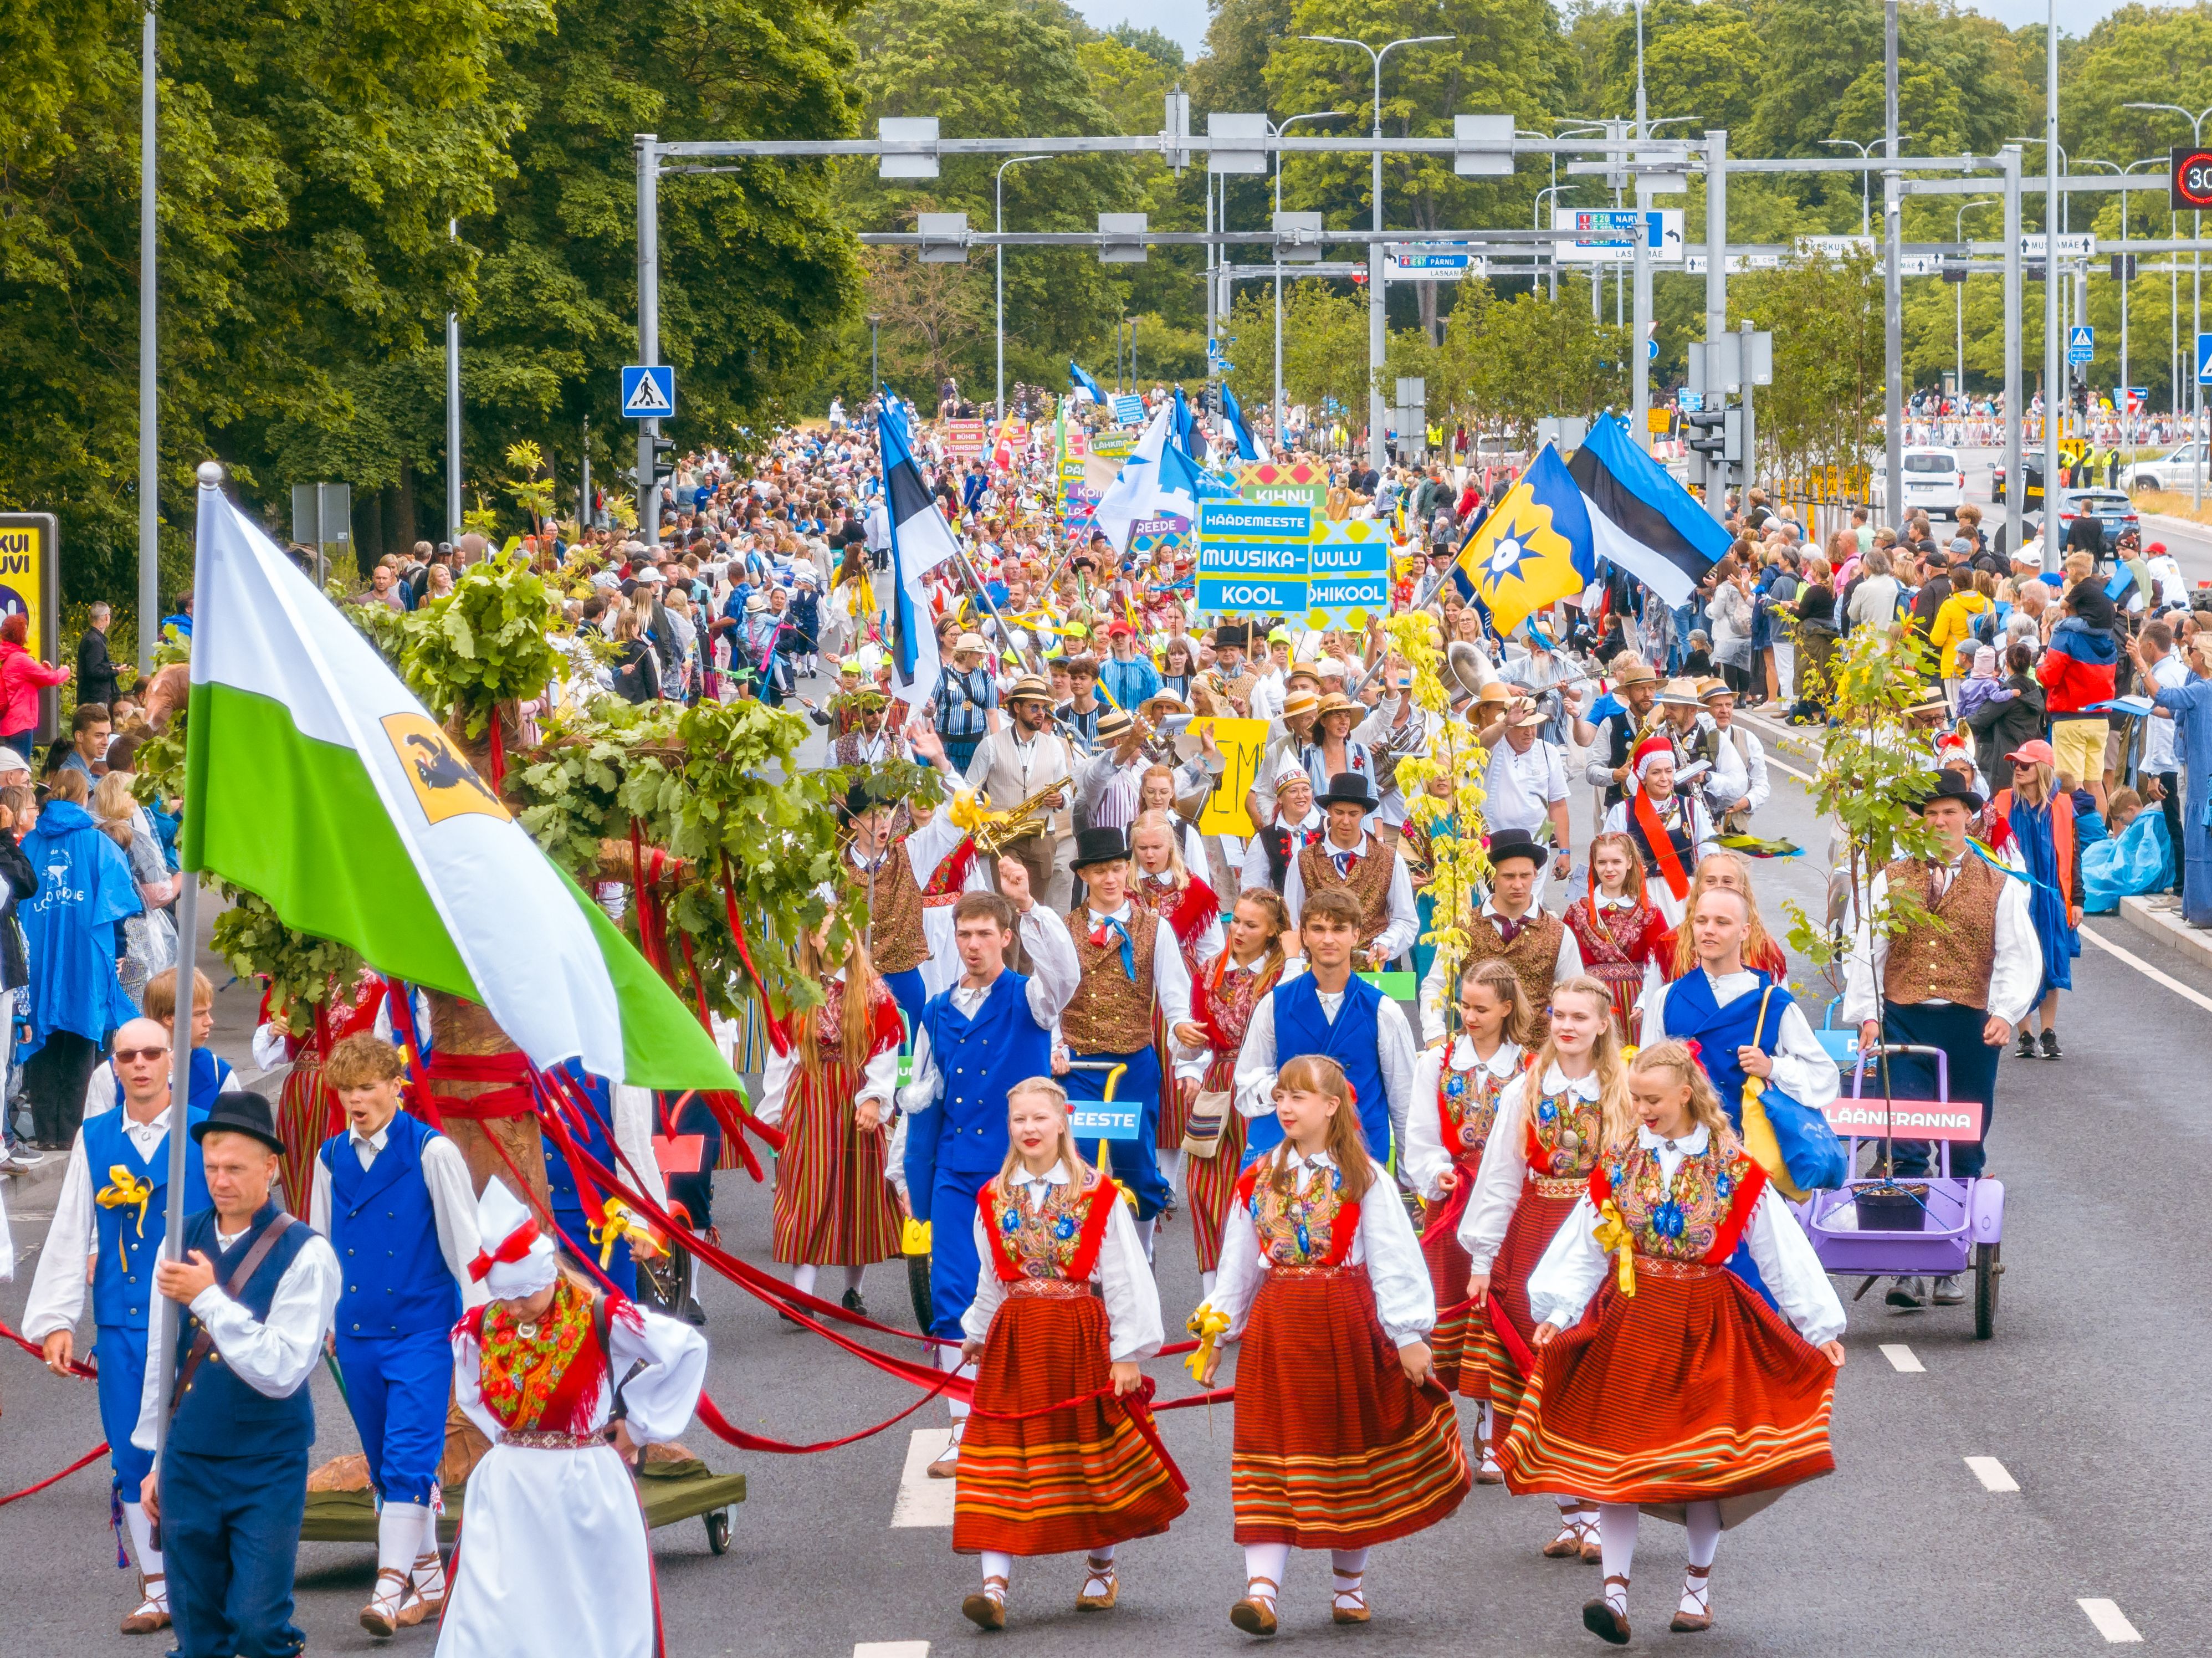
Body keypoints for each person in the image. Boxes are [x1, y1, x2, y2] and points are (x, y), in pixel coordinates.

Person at [1508, 1041, 1845, 1646]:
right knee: (1616, 1463)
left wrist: (1819, 1327)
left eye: (1651, 1099)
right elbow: (1585, 1242)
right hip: (1631, 1324)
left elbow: (1778, 1250)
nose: (1640, 1109)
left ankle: (1696, 1590)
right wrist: (1557, 1311)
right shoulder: (1617, 1163)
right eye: (1634, 1098)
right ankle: (1613, 1596)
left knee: (1698, 1465)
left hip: (1706, 1322)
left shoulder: (1735, 1168)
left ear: (1684, 1094)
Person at [1193, 1054, 1471, 1636]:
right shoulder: (1256, 1178)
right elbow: (1237, 1264)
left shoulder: (1364, 1177)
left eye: (1298, 1097)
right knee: (1268, 1447)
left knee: (1346, 1448)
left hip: (1343, 1320)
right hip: (1276, 1327)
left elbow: (1395, 1257)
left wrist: (1409, 1336)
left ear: (1331, 1105)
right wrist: (1217, 1329)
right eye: (1279, 1096)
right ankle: (1261, 1593)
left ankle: (1349, 1586)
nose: (1286, 1107)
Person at [436, 1180, 708, 1658]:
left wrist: (639, 1426)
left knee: (588, 1616)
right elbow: (473, 1395)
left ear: (547, 1273)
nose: (515, 1308)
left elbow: (685, 1348)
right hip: (508, 1495)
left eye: (524, 1295)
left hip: (584, 1490)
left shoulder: (601, 1315)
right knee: (495, 1617)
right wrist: (510, 1443)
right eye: (507, 1297)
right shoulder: (479, 1327)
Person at [953, 1077, 1187, 1629]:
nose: (1029, 1128)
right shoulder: (992, 1194)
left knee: (1091, 1452)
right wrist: (977, 1330)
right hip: (1014, 1339)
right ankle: (993, 1589)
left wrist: (1125, 1353)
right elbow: (992, 1278)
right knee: (1000, 1452)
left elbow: (1126, 1279)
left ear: (1061, 1123)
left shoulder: (1097, 1192)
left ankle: (1101, 1570)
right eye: (1019, 1120)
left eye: (1039, 1118)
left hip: (1077, 1335)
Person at [135, 1091, 341, 1658]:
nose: (220, 1181)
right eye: (211, 1168)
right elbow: (162, 1355)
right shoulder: (178, 1238)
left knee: (257, 1621)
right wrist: (157, 1457)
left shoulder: (307, 1253)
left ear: (270, 1168)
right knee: (197, 1628)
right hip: (191, 1453)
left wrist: (210, 1299)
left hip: (266, 1459)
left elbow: (282, 1368)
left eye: (235, 1168)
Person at [24, 1018, 208, 1634]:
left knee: (203, 1453)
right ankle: (158, 1588)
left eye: (152, 1052)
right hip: (123, 1322)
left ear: (171, 1061)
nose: (140, 1064)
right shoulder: (96, 1136)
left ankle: (205, 1578)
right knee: (133, 1453)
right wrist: (56, 1319)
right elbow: (72, 1225)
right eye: (127, 1055)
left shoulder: (208, 1130)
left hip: (200, 1325)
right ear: (113, 1065)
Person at [898, 871, 1079, 1477]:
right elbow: (921, 1094)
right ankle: (961, 1429)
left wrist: (1030, 904)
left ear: (1005, 937)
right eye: (963, 934)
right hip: (953, 1171)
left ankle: (1034, 1424)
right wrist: (905, 1176)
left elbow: (1065, 976)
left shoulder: (1030, 997)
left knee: (1027, 1296)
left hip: (1021, 1171)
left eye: (983, 933)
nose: (972, 945)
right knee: (952, 1298)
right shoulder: (934, 1009)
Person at [1841, 771, 2040, 1307]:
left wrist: (2005, 1012)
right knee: (1905, 1138)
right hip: (1904, 1018)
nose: (1939, 822)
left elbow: (2018, 951)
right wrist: (1867, 1015)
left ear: (1967, 816)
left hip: (1969, 1024)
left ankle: (1953, 1259)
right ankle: (1908, 1263)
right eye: (1929, 814)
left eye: (1948, 812)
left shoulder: (1999, 880)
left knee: (1963, 1142)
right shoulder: (1891, 878)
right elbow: (1868, 946)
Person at [308, 1033, 483, 1635]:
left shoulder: (431, 1152)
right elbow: (320, 1248)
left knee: (410, 1458)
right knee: (386, 1466)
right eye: (346, 1090)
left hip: (423, 1330)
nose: (355, 1100)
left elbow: (467, 1245)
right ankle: (432, 1582)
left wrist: (480, 1323)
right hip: (356, 1335)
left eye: (366, 1087)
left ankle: (387, 1589)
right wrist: (324, 1321)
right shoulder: (329, 1159)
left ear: (395, 1087)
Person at [1457, 976, 1627, 1561]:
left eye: (1580, 1016)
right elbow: (1500, 1177)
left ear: (1602, 1023)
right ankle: (1574, 1514)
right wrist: (1482, 1258)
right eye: (1558, 1014)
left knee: (1596, 1376)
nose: (1567, 1026)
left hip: (1600, 1236)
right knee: (1538, 1375)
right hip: (1533, 1230)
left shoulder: (1621, 1089)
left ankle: (1601, 1513)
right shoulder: (1523, 1089)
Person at [1405, 958, 1533, 1461]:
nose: (1471, 1017)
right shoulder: (1436, 1063)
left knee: (1495, 1308)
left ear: (1506, 1008)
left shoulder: (1528, 1067)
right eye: (1464, 1005)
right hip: (1454, 1200)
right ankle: (1451, 1417)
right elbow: (1419, 1133)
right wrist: (1436, 1170)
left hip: (1505, 1202)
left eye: (1482, 1008)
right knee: (1450, 1308)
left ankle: (1491, 1419)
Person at [1056, 825, 1201, 1250]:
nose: (1110, 879)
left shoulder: (1154, 928)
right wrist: (1054, 1047)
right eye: (1100, 871)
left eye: (1118, 869)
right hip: (1079, 1063)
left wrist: (1183, 1038)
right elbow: (1046, 998)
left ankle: (1143, 1253)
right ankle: (1080, 1254)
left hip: (1134, 1061)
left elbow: (1176, 1001)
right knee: (1078, 1159)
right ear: (1084, 876)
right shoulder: (1064, 930)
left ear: (1127, 870)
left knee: (1135, 1160)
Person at [757, 924, 904, 1312]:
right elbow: (781, 1055)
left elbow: (885, 1052)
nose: (836, 940)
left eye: (844, 932)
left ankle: (853, 1291)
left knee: (858, 1190)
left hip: (855, 1096)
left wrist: (874, 1098)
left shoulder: (875, 994)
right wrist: (772, 1112)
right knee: (804, 1191)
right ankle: (802, 1295)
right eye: (826, 933)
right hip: (809, 1096)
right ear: (811, 940)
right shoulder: (796, 993)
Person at [1232, 887, 1419, 1165]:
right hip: (1288, 1157)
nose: (1328, 939)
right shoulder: (1275, 1005)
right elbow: (1247, 1083)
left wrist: (1412, 1178)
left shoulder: (1384, 1011)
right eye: (1318, 929)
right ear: (1304, 936)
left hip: (1359, 1158)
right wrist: (1288, 1092)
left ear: (1356, 935)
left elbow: (1405, 1101)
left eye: (1339, 929)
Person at [1177, 890, 1294, 1294]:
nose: (1239, 931)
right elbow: (1196, 1042)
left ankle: (1262, 1292)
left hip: (1266, 1086)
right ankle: (1214, 1294)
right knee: (1203, 1185)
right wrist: (1187, 1042)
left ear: (1274, 930)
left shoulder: (1285, 974)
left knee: (1261, 1186)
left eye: (1251, 925)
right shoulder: (1209, 970)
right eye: (1236, 921)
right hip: (1218, 1082)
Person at [21, 769, 142, 1149]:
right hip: (85, 959)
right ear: (83, 798)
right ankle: (73, 1133)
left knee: (41, 1038)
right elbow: (118, 905)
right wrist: (120, 952)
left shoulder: (30, 844)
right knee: (80, 1038)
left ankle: (44, 1132)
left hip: (37, 956)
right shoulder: (99, 844)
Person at [1417, 828, 1584, 1045]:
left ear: (1535, 873)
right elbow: (1435, 985)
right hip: (1475, 1056)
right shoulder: (1462, 928)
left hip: (1538, 1058)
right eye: (1508, 876)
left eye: (1525, 875)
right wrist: (1435, 1034)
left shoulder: (1559, 933)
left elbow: (1576, 994)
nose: (1518, 884)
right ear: (1492, 875)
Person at [1986, 741, 2083, 1060]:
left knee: (2051, 961)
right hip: (2014, 893)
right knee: (2018, 958)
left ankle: (2048, 1031)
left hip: (2052, 897)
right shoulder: (2001, 802)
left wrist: (2078, 900)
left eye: (2025, 764)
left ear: (2042, 768)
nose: (2018, 768)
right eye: (2015, 762)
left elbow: (2073, 857)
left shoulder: (2064, 804)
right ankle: (2025, 1034)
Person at [1283, 771, 1417, 969]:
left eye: (1353, 814)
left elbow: (1406, 920)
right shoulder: (1303, 860)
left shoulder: (1389, 859)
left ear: (1364, 812)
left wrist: (1385, 943)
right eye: (1339, 812)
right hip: (1319, 969)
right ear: (1329, 810)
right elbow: (1293, 922)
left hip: (1373, 969)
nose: (1345, 821)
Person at [965, 674, 1076, 910]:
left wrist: (1061, 799)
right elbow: (969, 789)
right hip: (1004, 838)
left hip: (1041, 837)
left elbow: (1066, 790)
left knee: (1035, 909)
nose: (1041, 713)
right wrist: (987, 816)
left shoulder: (1054, 746)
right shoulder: (991, 744)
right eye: (1034, 706)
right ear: (1017, 707)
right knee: (1010, 907)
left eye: (1044, 707)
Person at [1563, 831, 1673, 1038]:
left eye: (1616, 861)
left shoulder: (1649, 912)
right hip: (1592, 998)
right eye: (1602, 862)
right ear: (1594, 865)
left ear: (1630, 862)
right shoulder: (1577, 912)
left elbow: (1658, 962)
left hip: (1634, 999)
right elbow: (1567, 961)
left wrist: (1645, 1001)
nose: (1609, 869)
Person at [1601, 737, 1718, 929]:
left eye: (1669, 771)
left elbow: (1709, 854)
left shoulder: (1691, 808)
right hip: (1639, 895)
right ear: (1643, 777)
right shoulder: (1623, 811)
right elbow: (1608, 854)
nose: (1664, 778)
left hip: (1682, 895)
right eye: (1656, 772)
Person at [1585, 655, 1661, 811]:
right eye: (1641, 689)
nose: (1648, 694)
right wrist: (1615, 775)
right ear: (1628, 692)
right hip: (1621, 809)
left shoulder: (1664, 725)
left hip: (1659, 808)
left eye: (1651, 688)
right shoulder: (1610, 725)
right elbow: (1592, 771)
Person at [1696, 681, 1770, 835]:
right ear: (1703, 709)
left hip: (1736, 831)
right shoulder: (1693, 738)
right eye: (1718, 706)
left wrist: (1745, 802)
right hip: (1700, 829)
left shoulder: (1748, 739)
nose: (1725, 711)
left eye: (1729, 705)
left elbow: (1762, 784)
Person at [0, 611, 70, 759]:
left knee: (11, 767)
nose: (27, 634)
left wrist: (42, 670)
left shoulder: (7, 657)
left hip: (9, 723)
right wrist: (65, 670)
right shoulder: (20, 659)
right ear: (19, 633)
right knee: (22, 768)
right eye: (25, 630)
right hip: (21, 722)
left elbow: (22, 686)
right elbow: (52, 679)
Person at [933, 631, 1000, 773]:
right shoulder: (942, 675)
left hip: (975, 744)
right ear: (966, 653)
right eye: (978, 654)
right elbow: (930, 711)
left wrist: (997, 744)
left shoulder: (986, 678)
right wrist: (928, 709)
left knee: (973, 789)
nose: (982, 657)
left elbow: (993, 713)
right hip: (947, 744)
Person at [78, 601, 122, 713]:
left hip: (88, 696)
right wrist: (116, 672)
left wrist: (110, 666)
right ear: (107, 617)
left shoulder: (89, 638)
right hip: (96, 698)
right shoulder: (95, 642)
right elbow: (93, 671)